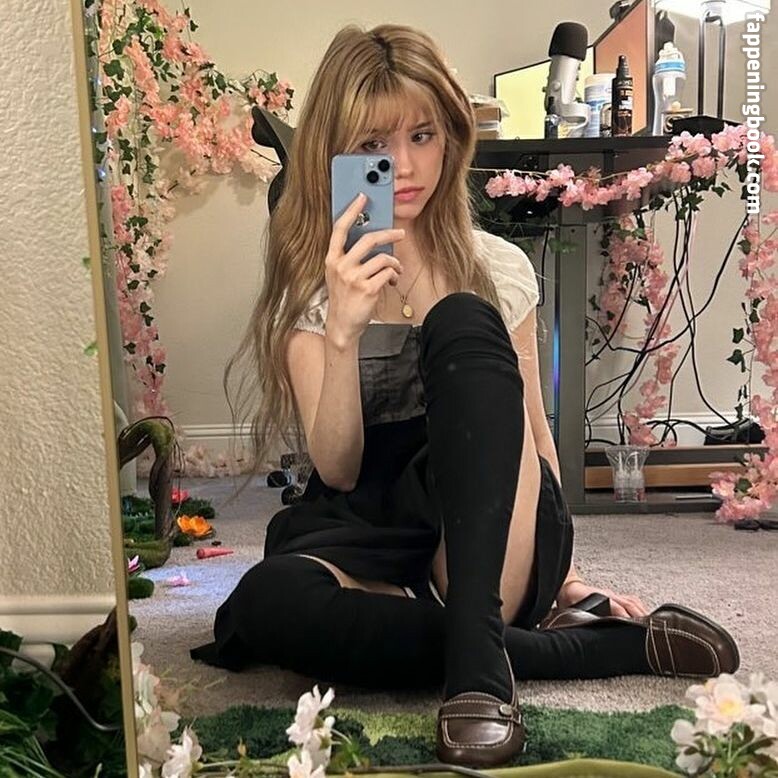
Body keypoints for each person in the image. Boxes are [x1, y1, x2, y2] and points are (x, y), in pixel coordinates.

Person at [191, 23, 739, 768]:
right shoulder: (312, 283)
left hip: (482, 526)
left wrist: (563, 573)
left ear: (451, 137)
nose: (404, 165)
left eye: (423, 135)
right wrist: (343, 332)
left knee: (462, 318)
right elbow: (340, 470)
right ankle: (584, 651)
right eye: (375, 144)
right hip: (370, 522)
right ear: (336, 155)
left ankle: (479, 674)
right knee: (268, 604)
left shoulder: (498, 266)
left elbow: (532, 435)